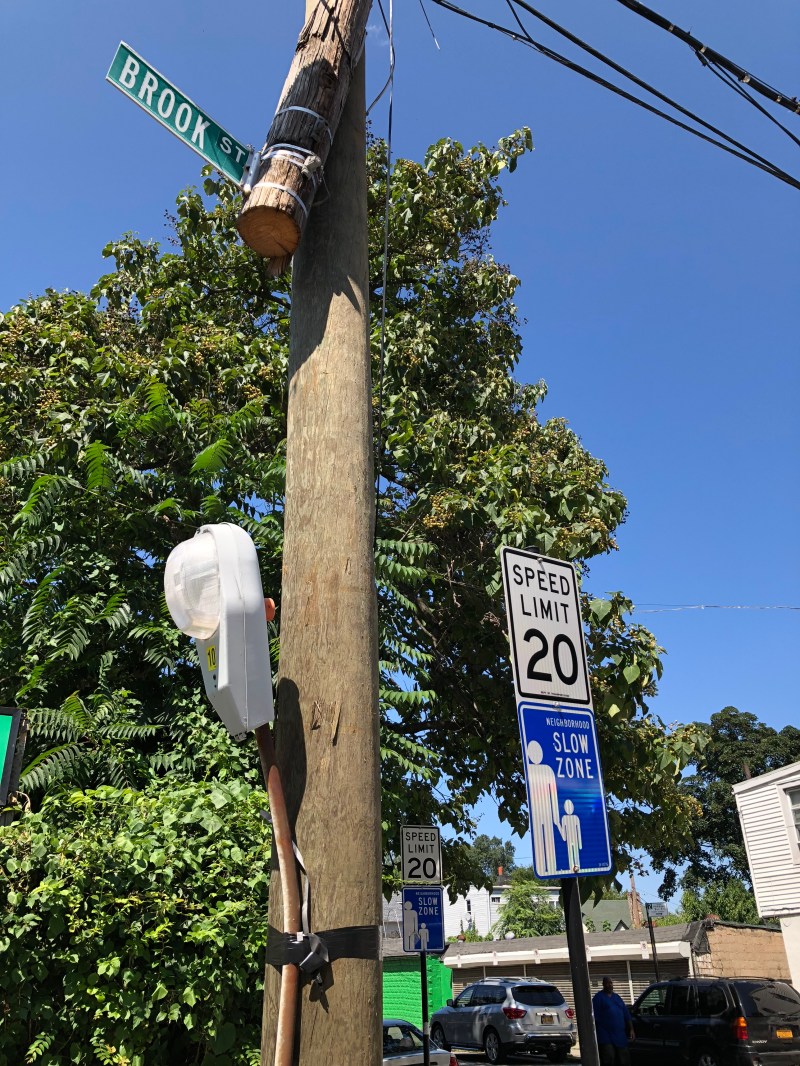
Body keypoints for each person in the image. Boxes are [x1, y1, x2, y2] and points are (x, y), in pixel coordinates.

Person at [592, 976, 635, 1065]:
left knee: (624, 1058)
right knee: (609, 1057)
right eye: (607, 983)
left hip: (620, 1034)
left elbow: (626, 1014)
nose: (609, 985)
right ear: (603, 984)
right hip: (606, 1035)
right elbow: (594, 1017)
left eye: (611, 983)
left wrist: (631, 1029)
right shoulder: (598, 998)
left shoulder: (617, 997)